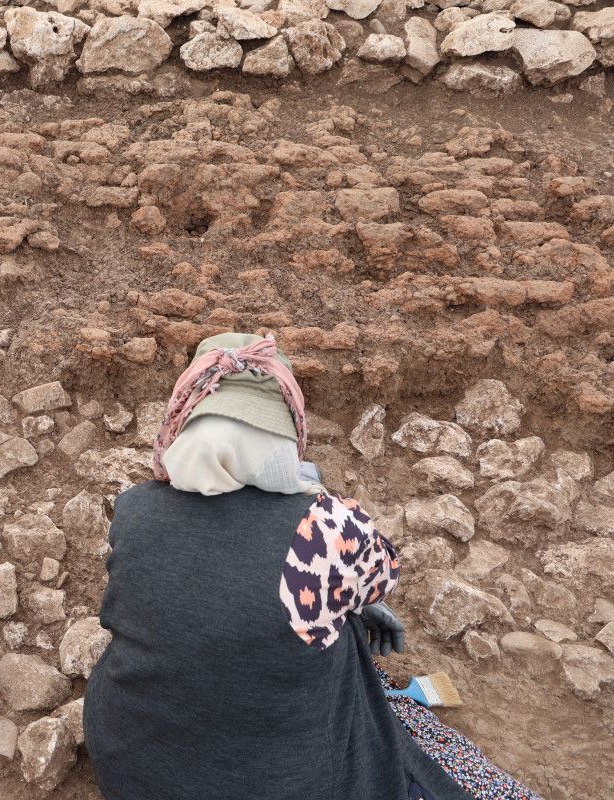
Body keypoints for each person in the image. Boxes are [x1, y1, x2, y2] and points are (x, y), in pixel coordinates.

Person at [82, 332, 542, 800]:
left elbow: (215, 579)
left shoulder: (134, 508)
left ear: (184, 419)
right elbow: (382, 575)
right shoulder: (326, 526)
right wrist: (318, 503)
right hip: (278, 786)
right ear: (287, 432)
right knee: (336, 625)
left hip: (131, 767)